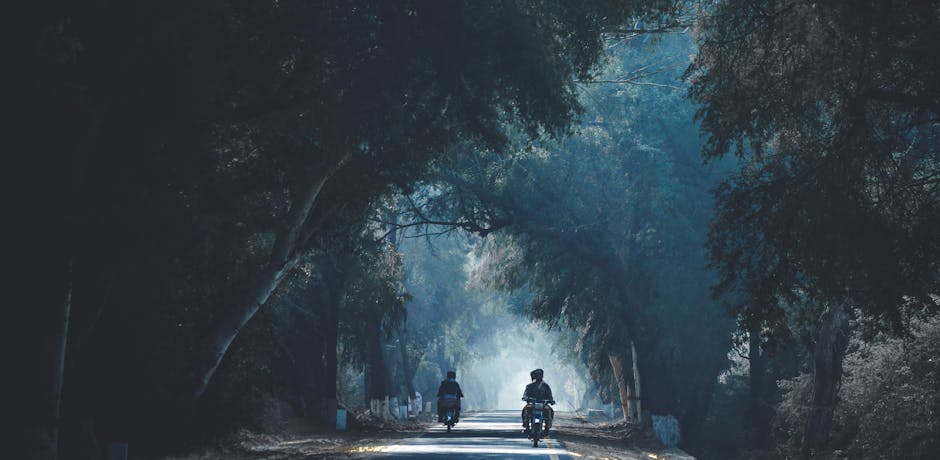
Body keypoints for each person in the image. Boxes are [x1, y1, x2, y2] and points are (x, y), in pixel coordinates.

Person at [521, 368, 555, 433]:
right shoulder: (529, 386)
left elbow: (550, 395)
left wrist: (551, 400)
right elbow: (525, 394)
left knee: (550, 411)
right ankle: (526, 426)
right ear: (534, 376)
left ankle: (547, 428)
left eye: (540, 375)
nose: (539, 377)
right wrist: (526, 398)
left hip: (543, 405)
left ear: (542, 376)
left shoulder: (546, 386)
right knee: (525, 410)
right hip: (532, 404)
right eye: (537, 375)